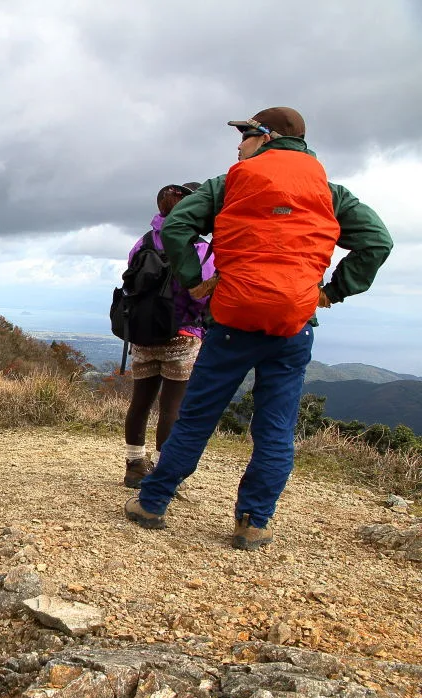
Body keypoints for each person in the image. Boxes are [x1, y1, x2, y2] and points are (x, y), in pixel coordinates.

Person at [123, 107, 392, 550]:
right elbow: (378, 242)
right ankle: (252, 523)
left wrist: (195, 280)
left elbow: (178, 226)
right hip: (294, 325)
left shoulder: (230, 182)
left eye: (246, 134)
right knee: (275, 429)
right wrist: (332, 291)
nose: (239, 143)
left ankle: (152, 504)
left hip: (231, 321)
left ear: (267, 137)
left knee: (195, 419)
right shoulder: (329, 191)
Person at [122, 182, 215, 488]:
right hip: (183, 334)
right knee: (171, 407)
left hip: (143, 334)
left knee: (141, 402)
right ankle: (164, 473)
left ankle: (134, 466)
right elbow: (202, 294)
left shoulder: (143, 242)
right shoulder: (199, 247)